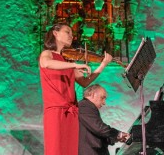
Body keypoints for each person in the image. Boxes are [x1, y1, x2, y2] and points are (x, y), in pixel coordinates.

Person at [39, 22, 113, 155]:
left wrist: (102, 65)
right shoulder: (48, 53)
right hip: (56, 111)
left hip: (72, 112)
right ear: (55, 33)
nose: (71, 36)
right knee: (55, 150)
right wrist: (76, 65)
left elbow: (84, 82)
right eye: (67, 32)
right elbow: (45, 63)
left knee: (71, 150)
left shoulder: (67, 61)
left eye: (72, 34)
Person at [78, 84, 130, 155]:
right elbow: (99, 128)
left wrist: (117, 138)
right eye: (102, 98)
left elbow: (98, 135)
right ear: (93, 94)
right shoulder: (84, 106)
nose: (104, 103)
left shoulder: (88, 107)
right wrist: (118, 134)